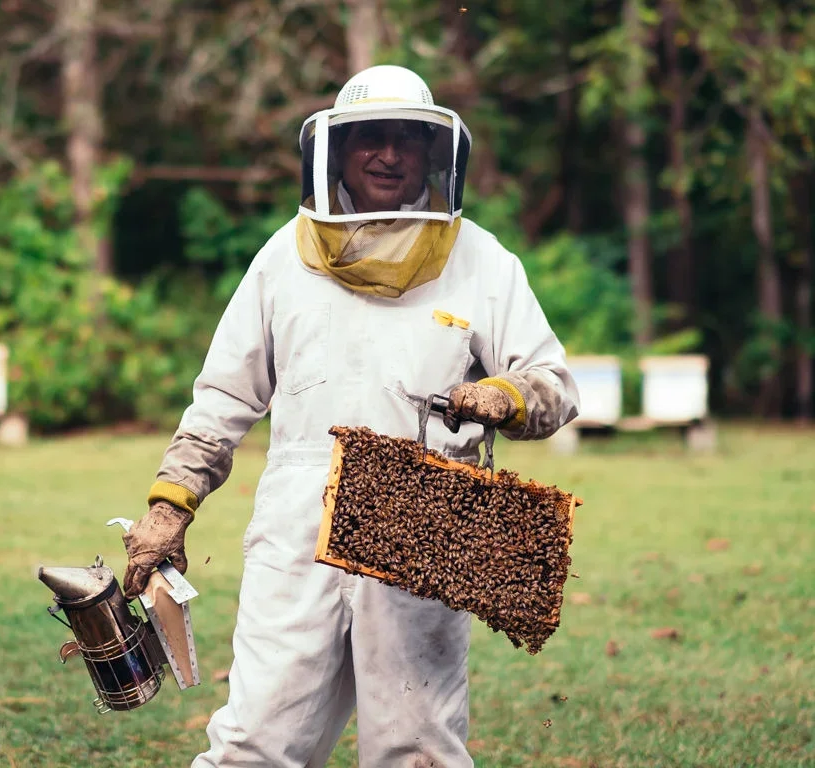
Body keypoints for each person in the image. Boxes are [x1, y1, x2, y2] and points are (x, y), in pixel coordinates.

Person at [122, 65, 580, 767]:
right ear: (335, 150)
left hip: (424, 512)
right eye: (370, 136)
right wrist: (168, 505)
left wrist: (507, 396)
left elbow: (555, 382)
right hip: (297, 517)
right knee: (256, 739)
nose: (388, 154)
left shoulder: (481, 260)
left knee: (416, 743)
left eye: (407, 138)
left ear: (435, 154)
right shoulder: (284, 256)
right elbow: (223, 395)